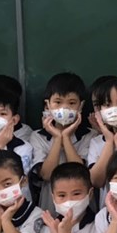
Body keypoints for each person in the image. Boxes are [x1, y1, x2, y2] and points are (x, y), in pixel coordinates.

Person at [29, 73, 95, 210]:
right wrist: (58, 138)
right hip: (50, 206)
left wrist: (66, 138)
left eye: (72, 103)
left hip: (83, 206)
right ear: (48, 105)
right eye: (58, 102)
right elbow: (46, 175)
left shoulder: (90, 136)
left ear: (81, 106)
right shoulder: (37, 136)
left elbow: (80, 174)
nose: (64, 108)